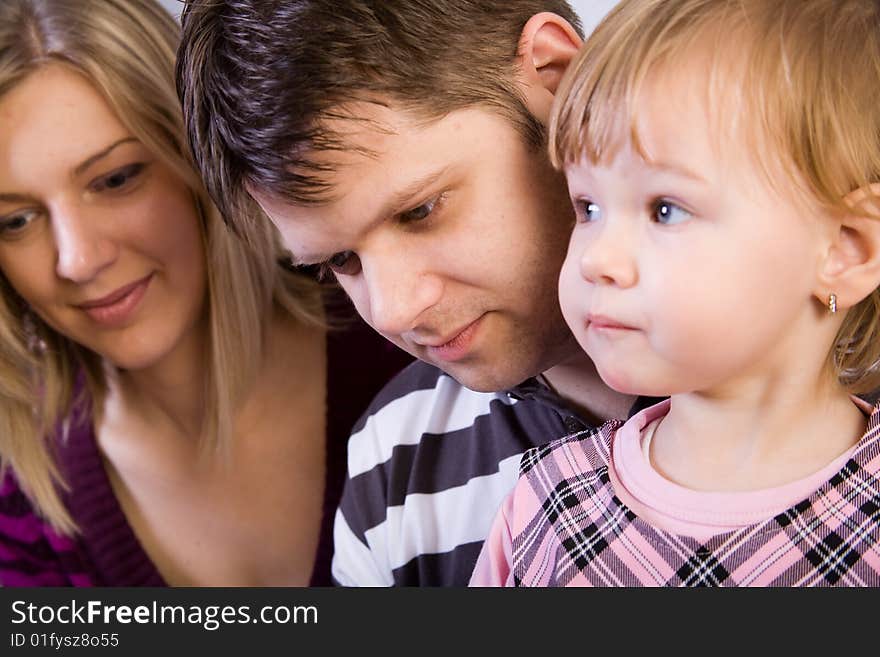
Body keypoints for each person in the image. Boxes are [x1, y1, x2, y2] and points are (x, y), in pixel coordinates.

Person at [176, 0, 660, 586]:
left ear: (555, 79)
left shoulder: (789, 359)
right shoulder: (390, 467)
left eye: (421, 210)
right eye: (342, 260)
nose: (393, 309)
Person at [0, 0, 409, 587]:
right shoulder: (23, 498)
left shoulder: (409, 336)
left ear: (202, 159)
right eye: (15, 221)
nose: (79, 260)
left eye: (116, 179)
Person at [471, 0, 880, 586]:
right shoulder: (545, 505)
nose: (596, 258)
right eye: (587, 207)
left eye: (665, 209)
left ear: (846, 250)